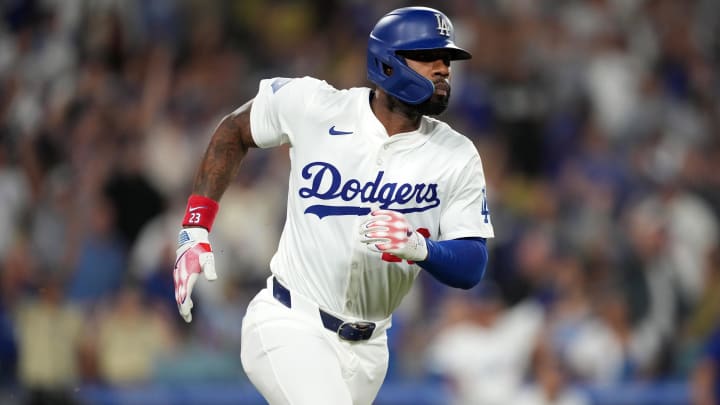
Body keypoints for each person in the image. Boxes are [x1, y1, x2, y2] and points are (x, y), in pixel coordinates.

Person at [172, 6, 494, 404]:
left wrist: (421, 248)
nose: (443, 68)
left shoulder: (457, 154)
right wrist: (195, 226)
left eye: (447, 59)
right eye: (428, 56)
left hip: (371, 348)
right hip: (289, 322)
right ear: (388, 64)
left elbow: (472, 264)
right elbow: (234, 130)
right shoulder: (316, 105)